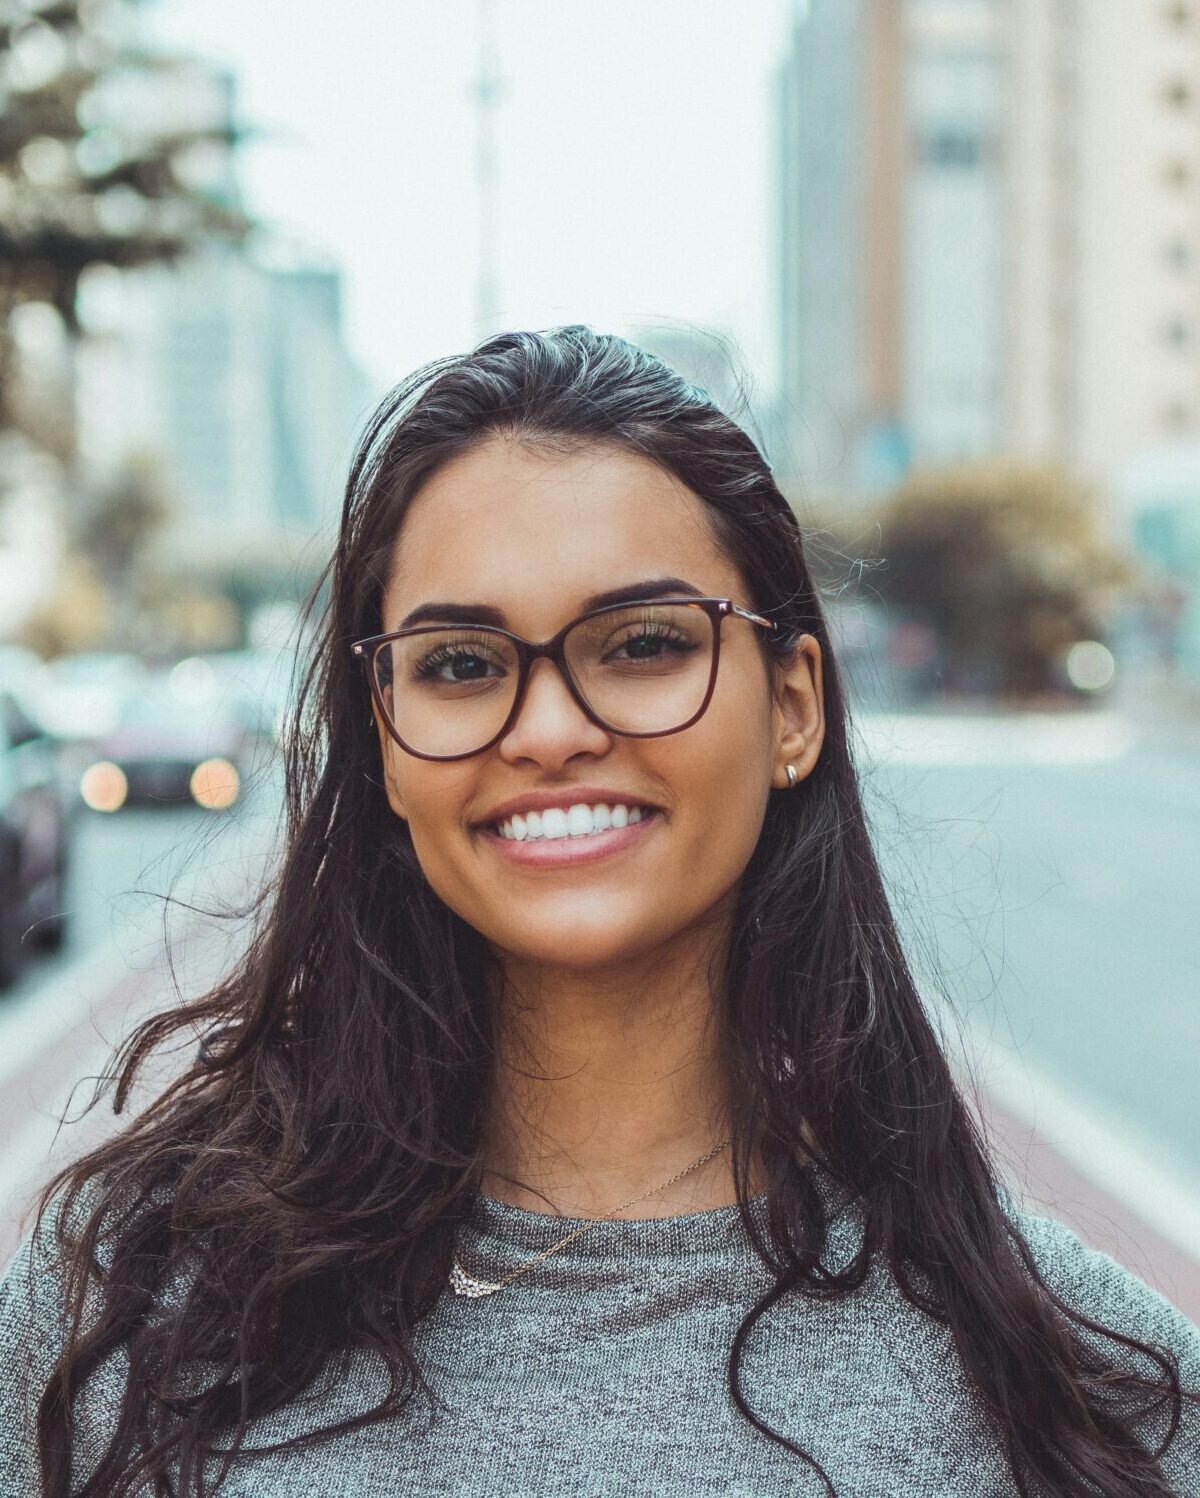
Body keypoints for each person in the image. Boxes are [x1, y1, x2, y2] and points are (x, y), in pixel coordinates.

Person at [1, 326, 1197, 1497]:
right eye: (463, 662)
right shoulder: (114, 1310)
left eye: (640, 643)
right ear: (383, 739)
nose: (552, 728)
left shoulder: (1095, 1392)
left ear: (791, 708)